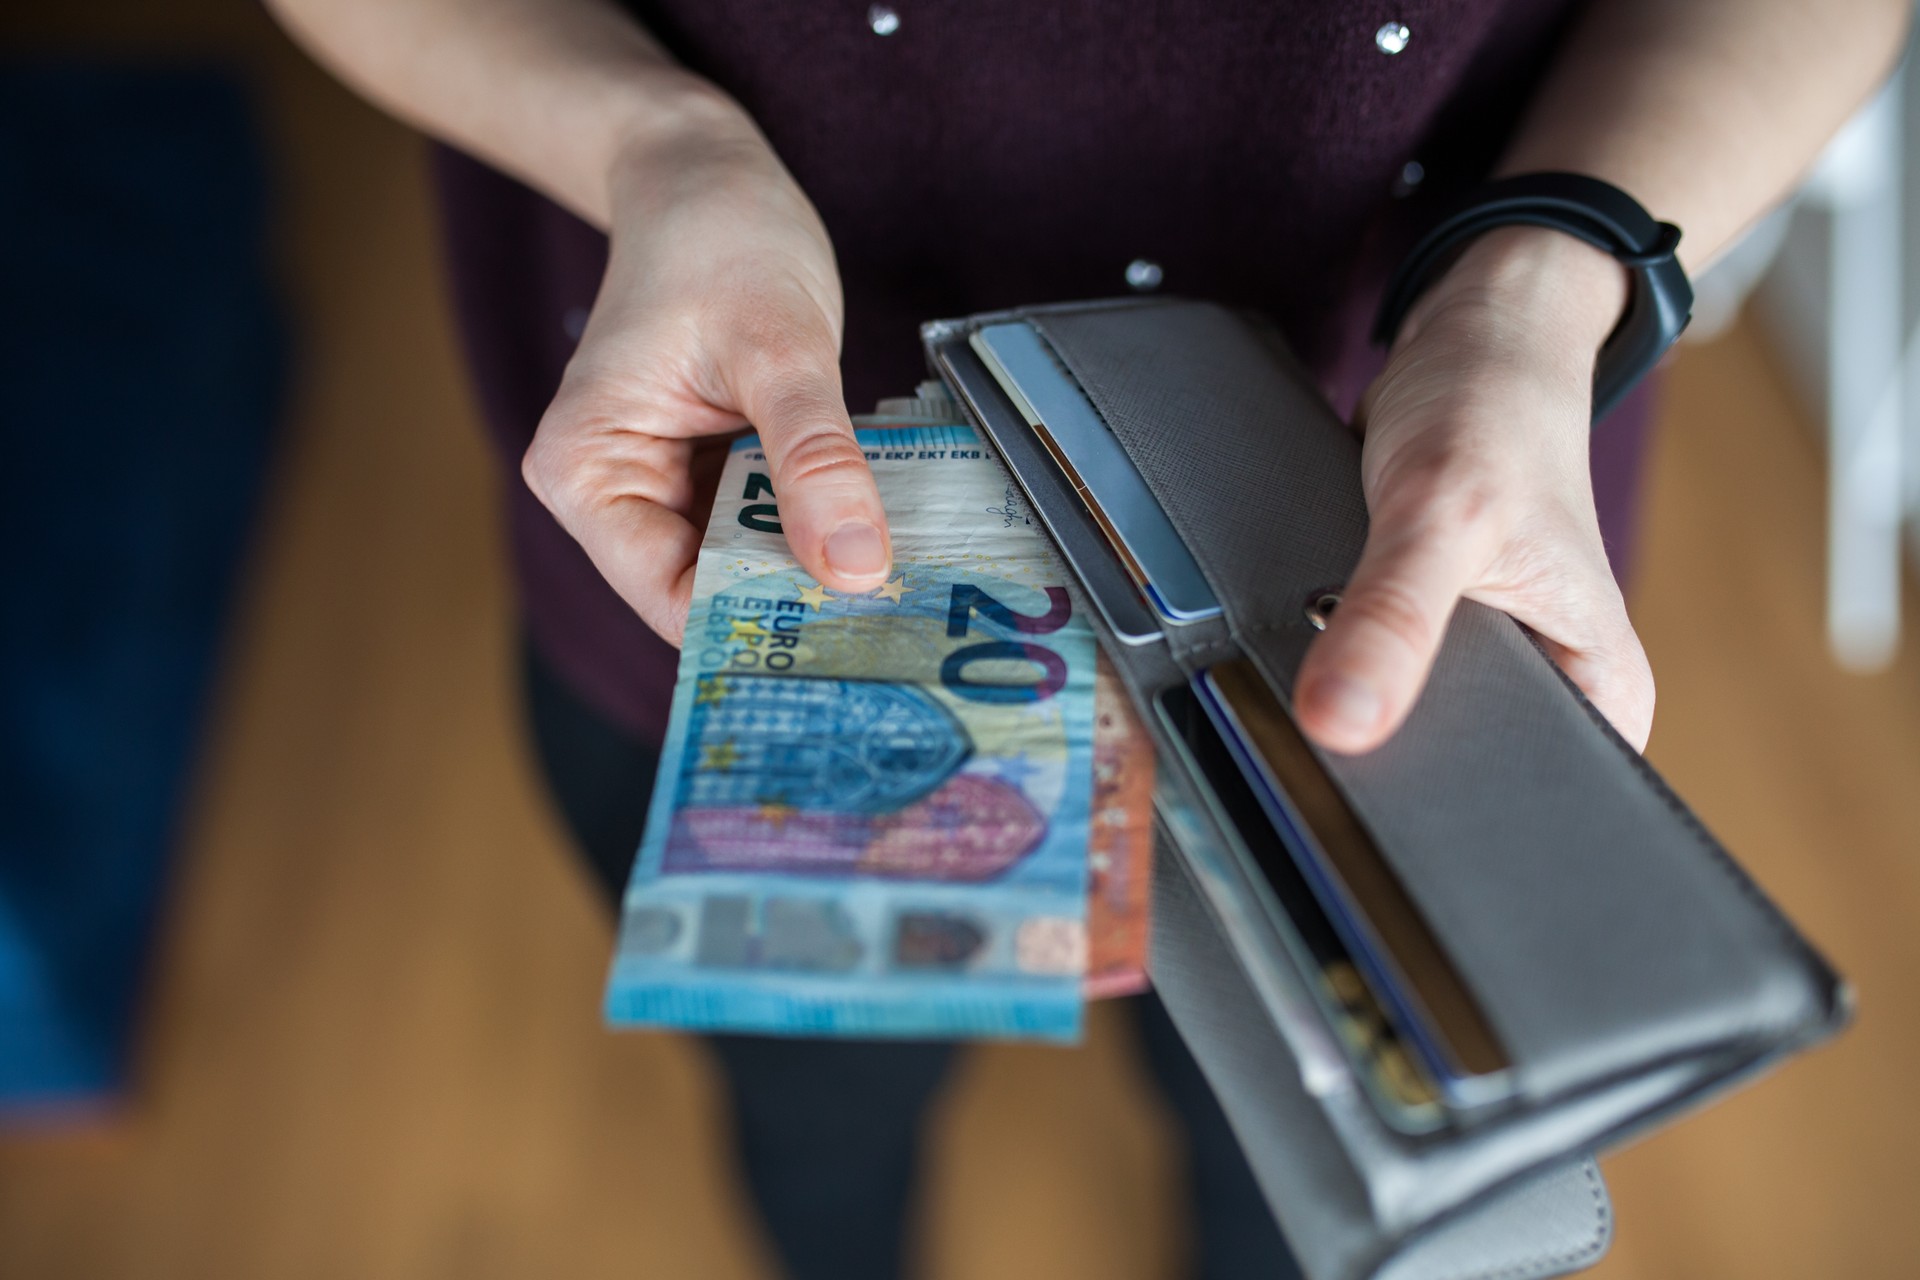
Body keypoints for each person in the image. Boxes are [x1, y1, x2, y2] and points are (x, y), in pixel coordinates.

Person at [265, 2, 1907, 1276]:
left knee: (1323, 1145)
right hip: (735, 520)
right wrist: (654, 147)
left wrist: (1527, 299)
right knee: (819, 1111)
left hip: (1396, 546)